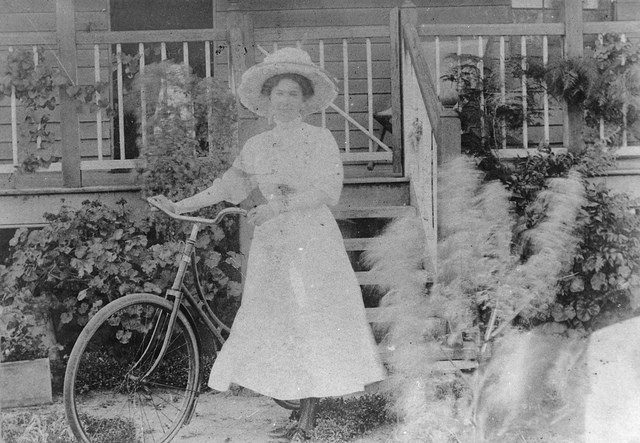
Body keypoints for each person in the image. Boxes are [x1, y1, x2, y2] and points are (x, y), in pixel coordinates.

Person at [164, 47, 386, 441]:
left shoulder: (319, 140)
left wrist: (278, 206)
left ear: (304, 102)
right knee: (278, 321)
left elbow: (327, 190)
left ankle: (307, 418)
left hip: (310, 239)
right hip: (272, 245)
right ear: (267, 99)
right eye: (278, 93)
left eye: (293, 94)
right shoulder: (256, 145)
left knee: (309, 319)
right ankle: (296, 402)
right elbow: (228, 187)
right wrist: (179, 204)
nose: (284, 101)